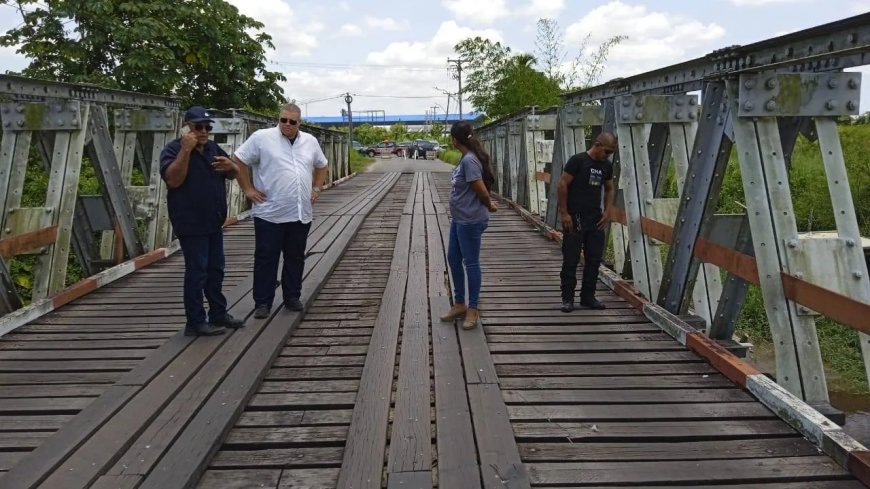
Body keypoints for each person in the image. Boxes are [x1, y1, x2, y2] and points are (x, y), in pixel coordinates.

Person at [232, 103, 328, 319]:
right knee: (267, 257)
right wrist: (248, 189)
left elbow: (322, 165)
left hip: (300, 212)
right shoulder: (261, 138)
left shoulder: (310, 141)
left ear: (299, 123)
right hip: (270, 212)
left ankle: (292, 296)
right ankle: (262, 302)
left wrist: (316, 188)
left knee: (295, 257)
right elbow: (238, 160)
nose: (286, 124)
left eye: (292, 121)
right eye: (283, 120)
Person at [160, 106, 245, 336]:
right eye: (198, 127)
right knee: (197, 272)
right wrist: (185, 151)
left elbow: (231, 173)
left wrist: (233, 167)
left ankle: (218, 313)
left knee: (216, 269)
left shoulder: (212, 148)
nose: (204, 131)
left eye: (208, 127)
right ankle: (195, 322)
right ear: (186, 128)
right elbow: (173, 181)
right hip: (190, 222)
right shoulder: (173, 150)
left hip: (213, 221)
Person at [440, 121, 498, 329]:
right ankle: (459, 303)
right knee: (453, 259)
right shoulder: (466, 159)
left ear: (455, 140)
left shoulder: (470, 161)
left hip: (471, 220)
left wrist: (489, 205)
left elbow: (481, 190)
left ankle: (472, 309)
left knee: (471, 263)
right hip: (459, 219)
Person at [557, 132, 617, 312]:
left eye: (611, 153)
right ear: (597, 145)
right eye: (607, 151)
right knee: (571, 259)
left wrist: (608, 211)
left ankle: (588, 296)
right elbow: (562, 184)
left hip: (595, 218)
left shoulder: (606, 166)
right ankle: (568, 298)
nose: (608, 155)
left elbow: (609, 188)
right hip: (575, 217)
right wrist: (564, 212)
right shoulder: (578, 161)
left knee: (594, 259)